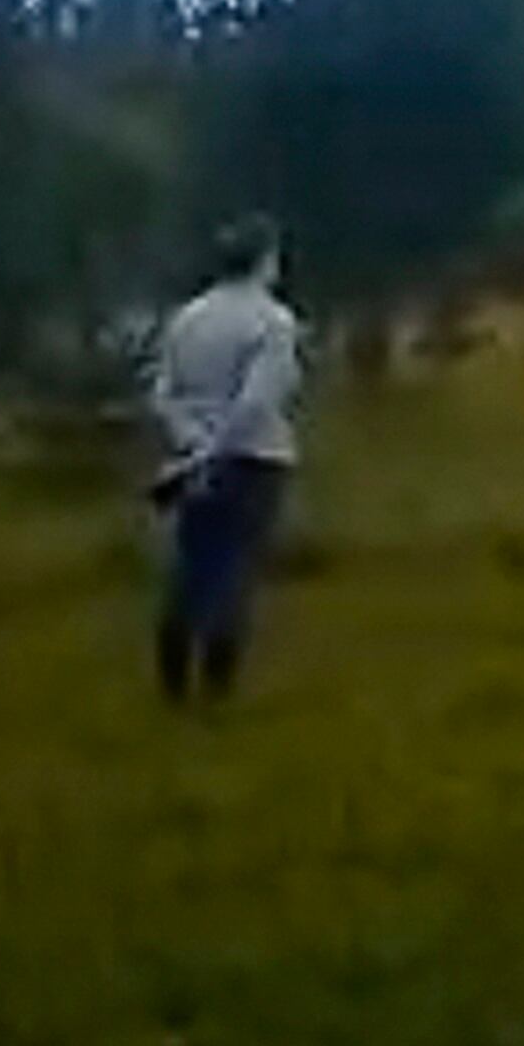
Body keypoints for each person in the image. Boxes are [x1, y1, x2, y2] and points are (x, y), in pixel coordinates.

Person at [143, 219, 307, 709]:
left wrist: (191, 445)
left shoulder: (188, 317)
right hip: (252, 456)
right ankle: (216, 686)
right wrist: (216, 450)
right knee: (236, 568)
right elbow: (258, 401)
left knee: (192, 561)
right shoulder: (273, 322)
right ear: (265, 260)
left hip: (188, 457)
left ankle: (172, 673)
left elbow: (162, 391)